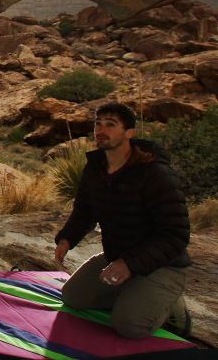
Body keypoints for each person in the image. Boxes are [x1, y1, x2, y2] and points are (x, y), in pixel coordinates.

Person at [54, 102, 192, 339]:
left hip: (162, 265)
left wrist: (129, 264)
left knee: (129, 326)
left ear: (129, 133)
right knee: (73, 297)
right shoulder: (96, 167)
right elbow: (85, 210)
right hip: (118, 256)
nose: (101, 130)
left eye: (111, 125)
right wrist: (67, 239)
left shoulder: (155, 174)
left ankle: (172, 305)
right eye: (98, 124)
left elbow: (176, 235)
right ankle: (134, 294)